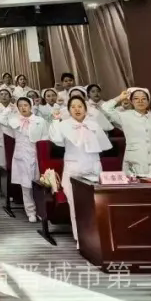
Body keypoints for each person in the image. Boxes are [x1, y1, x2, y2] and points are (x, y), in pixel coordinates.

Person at [48, 96, 112, 246]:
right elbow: (56, 139)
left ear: (85, 108)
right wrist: (56, 120)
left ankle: (96, 239)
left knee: (96, 204)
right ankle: (81, 239)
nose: (77, 109)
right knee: (76, 204)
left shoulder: (93, 124)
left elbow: (105, 138)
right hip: (73, 169)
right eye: (73, 107)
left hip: (94, 167)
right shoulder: (63, 125)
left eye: (80, 106)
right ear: (68, 110)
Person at [0, 95, 48, 222]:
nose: (23, 108)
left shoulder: (39, 121)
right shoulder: (15, 120)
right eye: (20, 106)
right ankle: (30, 212)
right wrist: (9, 108)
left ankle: (41, 211)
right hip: (21, 154)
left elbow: (45, 138)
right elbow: (0, 119)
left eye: (25, 105)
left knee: (38, 184)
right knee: (25, 186)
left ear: (30, 106)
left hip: (36, 154)